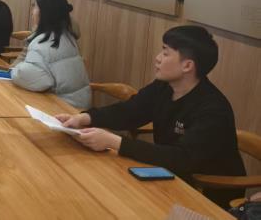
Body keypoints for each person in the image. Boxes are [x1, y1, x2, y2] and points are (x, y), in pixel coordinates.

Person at [56, 25, 246, 207]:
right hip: (168, 175)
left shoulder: (213, 109)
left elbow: (182, 158)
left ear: (187, 65)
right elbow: (130, 111)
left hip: (205, 192)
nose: (157, 58)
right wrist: (84, 118)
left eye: (165, 53)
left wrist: (114, 142)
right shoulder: (163, 87)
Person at [10, 0, 90, 109]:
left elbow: (26, 76)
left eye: (35, 7)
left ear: (45, 13)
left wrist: (14, 70)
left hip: (63, 108)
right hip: (78, 105)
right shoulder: (67, 35)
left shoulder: (44, 43)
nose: (32, 12)